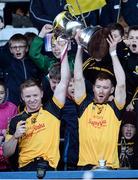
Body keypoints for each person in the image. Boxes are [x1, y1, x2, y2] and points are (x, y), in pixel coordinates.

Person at [3, 39, 70, 171]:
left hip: (49, 167)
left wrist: (64, 53)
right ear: (22, 97)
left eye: (35, 95)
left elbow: (65, 80)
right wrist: (15, 136)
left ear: (41, 94)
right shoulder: (16, 120)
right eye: (28, 96)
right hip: (25, 169)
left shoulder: (52, 109)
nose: (32, 99)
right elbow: (6, 153)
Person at [73, 31, 126, 169]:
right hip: (85, 166)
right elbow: (78, 78)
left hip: (110, 167)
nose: (101, 91)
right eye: (98, 87)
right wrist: (79, 47)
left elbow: (121, 83)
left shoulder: (115, 108)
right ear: (93, 88)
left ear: (111, 90)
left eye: (105, 88)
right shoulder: (84, 105)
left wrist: (113, 53)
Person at [0, 33, 43, 106]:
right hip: (13, 103)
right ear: (10, 50)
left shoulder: (32, 62)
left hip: (31, 101)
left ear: (26, 49)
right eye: (14, 47)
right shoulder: (7, 62)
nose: (17, 49)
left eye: (21, 46)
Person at [29, 0, 99, 31]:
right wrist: (58, 23)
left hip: (75, 36)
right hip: (50, 36)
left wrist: (74, 24)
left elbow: (89, 13)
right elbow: (34, 15)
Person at [0, 80, 18, 171]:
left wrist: (4, 134)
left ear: (6, 93)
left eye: (1, 93)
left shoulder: (12, 108)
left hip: (8, 149)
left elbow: (15, 129)